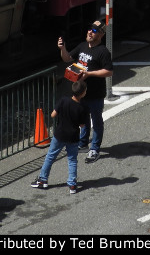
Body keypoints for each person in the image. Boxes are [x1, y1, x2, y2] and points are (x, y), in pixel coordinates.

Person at [58, 19, 114, 163]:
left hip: (95, 94)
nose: (90, 32)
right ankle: (83, 143)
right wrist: (62, 49)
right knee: (83, 120)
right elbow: (67, 58)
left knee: (96, 122)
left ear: (101, 34)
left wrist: (89, 74)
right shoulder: (82, 46)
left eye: (94, 30)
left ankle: (94, 149)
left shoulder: (103, 52)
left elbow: (109, 72)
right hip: (81, 94)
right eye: (89, 28)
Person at [30, 79, 89, 194]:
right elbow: (82, 125)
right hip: (73, 137)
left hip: (60, 134)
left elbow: (53, 115)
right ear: (82, 93)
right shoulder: (83, 108)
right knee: (72, 160)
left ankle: (43, 180)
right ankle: (72, 185)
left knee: (50, 157)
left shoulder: (63, 101)